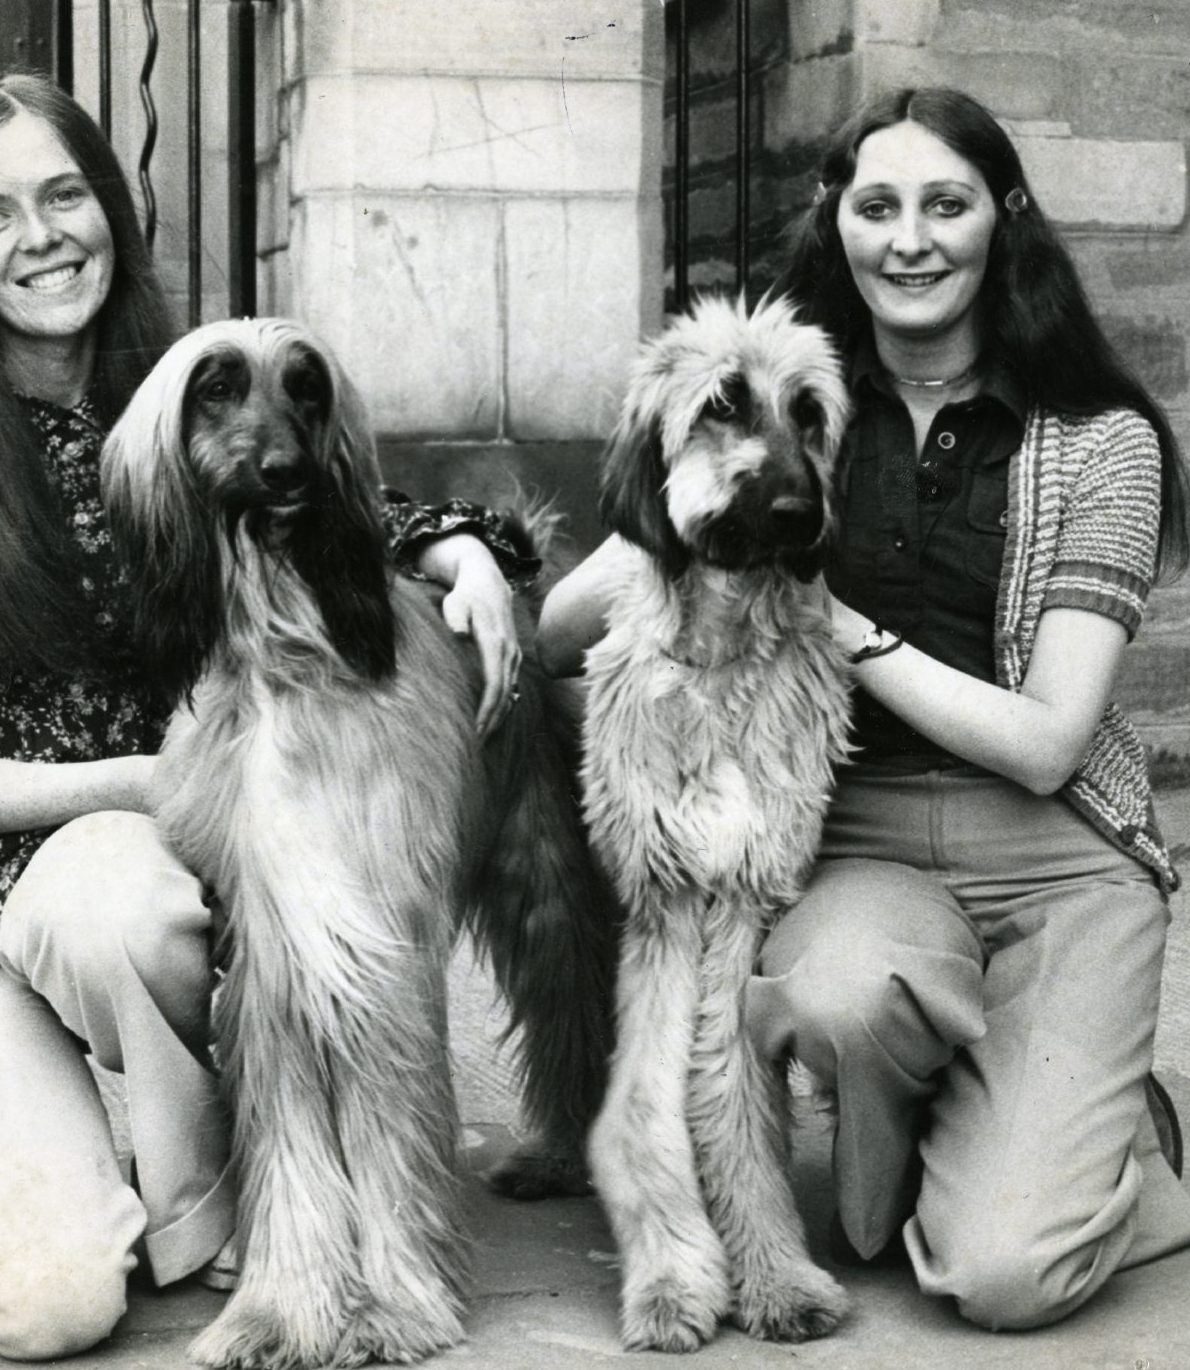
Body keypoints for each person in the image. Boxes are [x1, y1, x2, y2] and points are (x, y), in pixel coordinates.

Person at [0, 73, 536, 1359]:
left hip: (126, 881)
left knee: (137, 902)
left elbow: (331, 495)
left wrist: (462, 545)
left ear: (111, 212)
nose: (43, 236)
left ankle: (203, 1215)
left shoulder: (175, 395)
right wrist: (159, 777)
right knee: (56, 1298)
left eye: (66, 193)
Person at [539, 86, 1190, 1332]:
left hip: (1056, 854)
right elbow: (576, 612)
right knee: (830, 1002)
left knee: (998, 1272)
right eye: (875, 206)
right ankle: (993, 1121)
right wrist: (518, 558)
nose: (909, 239)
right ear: (835, 223)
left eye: (944, 206)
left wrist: (844, 623)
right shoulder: (810, 404)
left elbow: (1052, 740)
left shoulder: (1099, 439)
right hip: (868, 840)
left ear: (1001, 222)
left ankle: (1120, 1148)